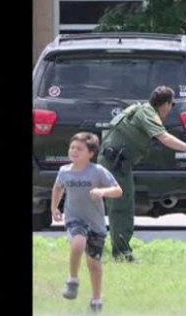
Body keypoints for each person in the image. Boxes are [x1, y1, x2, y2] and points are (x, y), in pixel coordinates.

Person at [98, 86, 186, 261]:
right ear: (165, 104)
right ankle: (121, 253)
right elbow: (164, 138)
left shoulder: (140, 109)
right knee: (122, 208)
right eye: (171, 104)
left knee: (113, 207)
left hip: (112, 162)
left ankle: (105, 248)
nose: (171, 108)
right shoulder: (149, 114)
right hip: (115, 165)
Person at [51, 132, 123, 313]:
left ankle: (96, 300)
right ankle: (72, 280)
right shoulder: (64, 171)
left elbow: (118, 190)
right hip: (74, 218)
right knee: (78, 243)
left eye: (79, 149)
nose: (74, 151)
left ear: (90, 153)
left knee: (94, 264)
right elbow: (58, 187)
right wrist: (54, 208)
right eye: (72, 148)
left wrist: (102, 192)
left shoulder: (97, 171)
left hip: (96, 223)